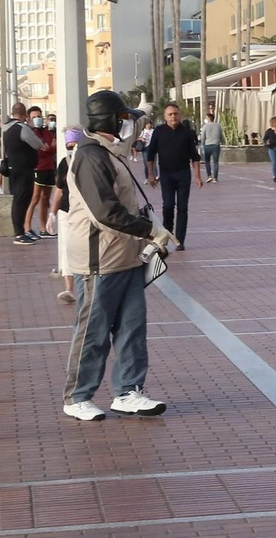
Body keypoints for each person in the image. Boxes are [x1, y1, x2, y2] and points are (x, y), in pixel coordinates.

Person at [62, 89, 172, 420]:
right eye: (122, 117)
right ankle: (77, 396)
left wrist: (140, 112)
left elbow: (134, 127)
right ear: (110, 121)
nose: (127, 123)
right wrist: (151, 231)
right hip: (99, 259)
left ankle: (128, 391)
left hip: (125, 255)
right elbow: (105, 212)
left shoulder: (111, 150)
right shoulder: (90, 157)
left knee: (132, 327)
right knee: (94, 329)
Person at [147, 103, 200, 250]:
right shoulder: (158, 132)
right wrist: (151, 174)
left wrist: (197, 176)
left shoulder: (188, 132)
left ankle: (180, 240)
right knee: (168, 205)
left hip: (183, 173)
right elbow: (151, 154)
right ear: (165, 117)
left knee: (183, 207)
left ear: (180, 115)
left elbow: (194, 156)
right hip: (166, 174)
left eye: (175, 113)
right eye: (170, 114)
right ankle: (167, 233)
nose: (173, 117)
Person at [0, 102, 46, 245]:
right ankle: (19, 234)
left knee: (19, 200)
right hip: (24, 169)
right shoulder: (22, 128)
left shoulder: (5, 129)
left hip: (13, 167)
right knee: (21, 201)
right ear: (25, 115)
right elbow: (38, 144)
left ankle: (21, 232)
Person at [52, 128, 83, 305]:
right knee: (66, 249)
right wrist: (52, 213)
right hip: (66, 211)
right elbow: (58, 190)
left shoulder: (88, 162)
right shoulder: (64, 163)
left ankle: (83, 285)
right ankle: (69, 288)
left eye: (74, 145)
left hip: (83, 212)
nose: (71, 149)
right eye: (68, 146)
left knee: (81, 247)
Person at [28, 107, 59, 236]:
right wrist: (45, 147)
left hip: (49, 167)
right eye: (34, 117)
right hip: (38, 168)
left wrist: (48, 147)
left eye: (39, 116)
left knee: (45, 199)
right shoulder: (30, 133)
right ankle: (27, 227)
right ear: (29, 119)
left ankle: (44, 228)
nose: (37, 119)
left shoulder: (47, 132)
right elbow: (37, 149)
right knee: (35, 198)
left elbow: (52, 148)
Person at [200, 109, 223, 184]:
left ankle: (209, 176)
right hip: (216, 145)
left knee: (207, 161)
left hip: (207, 145)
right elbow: (221, 135)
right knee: (216, 162)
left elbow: (202, 136)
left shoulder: (205, 126)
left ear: (209, 118)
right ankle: (215, 178)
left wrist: (202, 143)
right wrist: (221, 141)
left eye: (206, 118)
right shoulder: (218, 125)